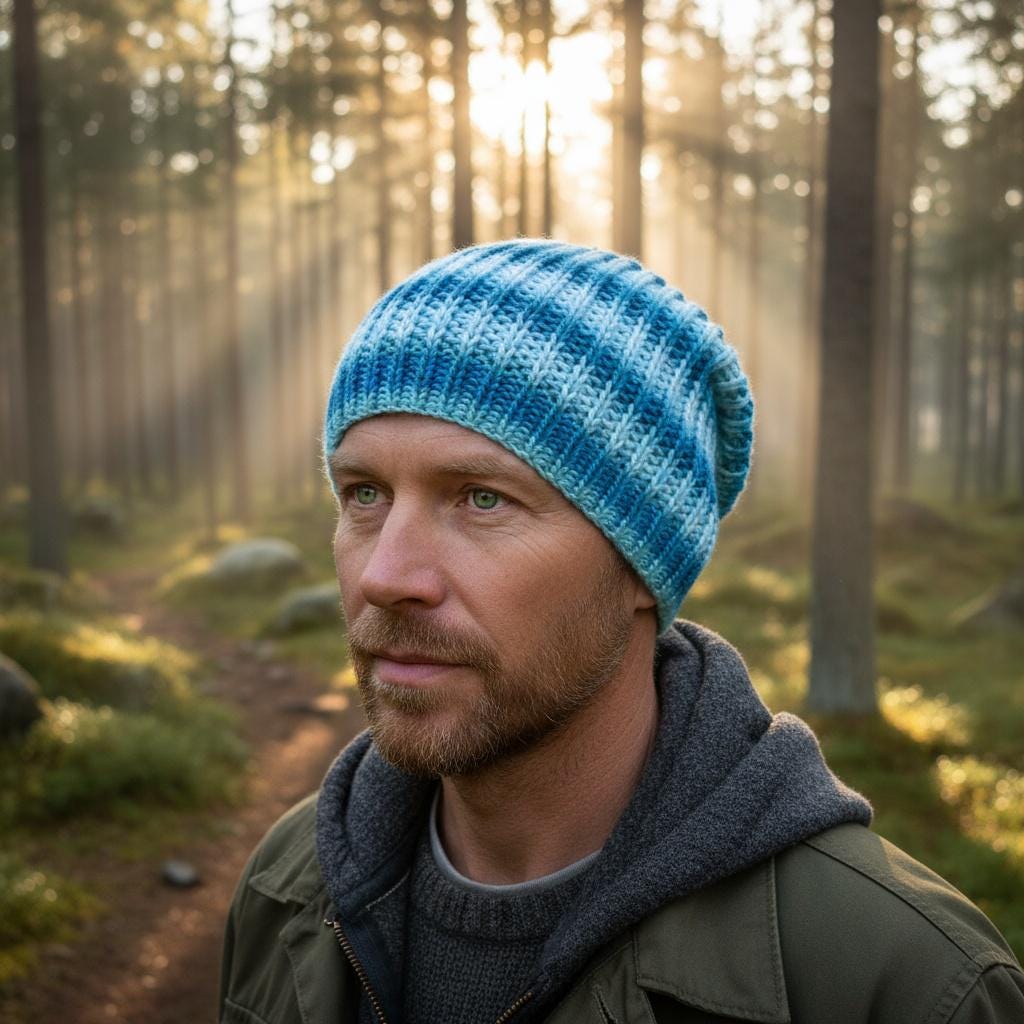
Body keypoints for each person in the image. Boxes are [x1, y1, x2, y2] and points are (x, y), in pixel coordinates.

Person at [218, 239, 1024, 1024]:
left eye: (482, 498)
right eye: (364, 494)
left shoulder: (903, 983)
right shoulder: (286, 886)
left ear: (643, 564)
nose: (386, 575)